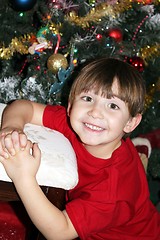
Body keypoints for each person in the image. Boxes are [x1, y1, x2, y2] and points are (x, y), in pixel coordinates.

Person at [0, 58, 159, 240]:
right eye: (88, 98)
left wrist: (23, 176)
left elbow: (60, 231)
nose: (95, 112)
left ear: (131, 123)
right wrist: (11, 127)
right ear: (70, 106)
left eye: (113, 106)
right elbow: (24, 107)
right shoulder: (78, 124)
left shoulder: (114, 189)